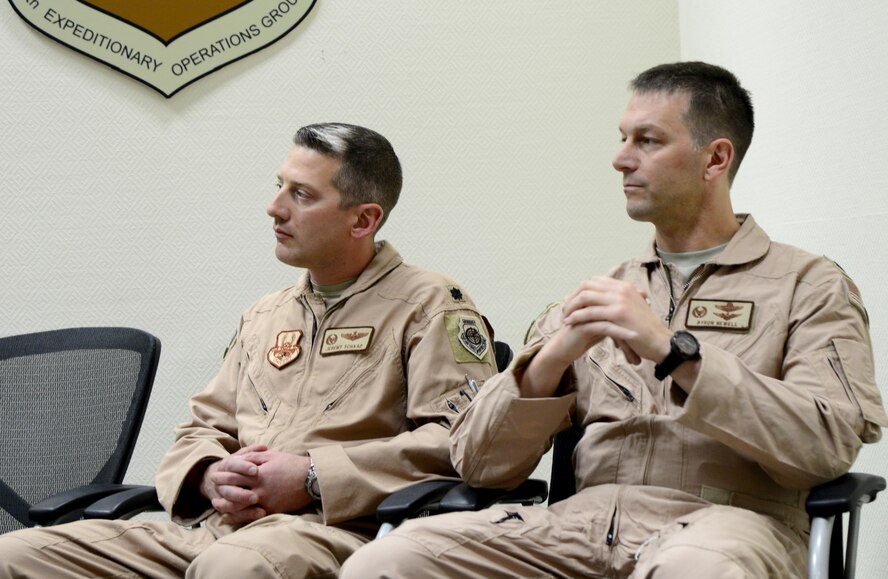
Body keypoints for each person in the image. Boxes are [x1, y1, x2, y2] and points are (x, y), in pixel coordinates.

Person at [341, 62, 888, 578]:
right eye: (623, 137)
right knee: (389, 560)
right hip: (579, 527)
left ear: (714, 159)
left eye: (647, 141)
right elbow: (481, 466)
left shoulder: (807, 285)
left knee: (695, 569)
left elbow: (826, 445)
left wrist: (673, 351)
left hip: (727, 527)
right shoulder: (599, 294)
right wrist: (553, 357)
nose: (621, 158)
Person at [0, 123, 498, 577]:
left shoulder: (429, 305)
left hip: (338, 532)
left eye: (301, 194)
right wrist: (211, 475)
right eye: (279, 186)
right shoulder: (266, 315)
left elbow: (465, 444)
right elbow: (201, 428)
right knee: (16, 557)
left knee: (234, 567)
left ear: (364, 220)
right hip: (213, 532)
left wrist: (310, 477)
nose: (275, 207)